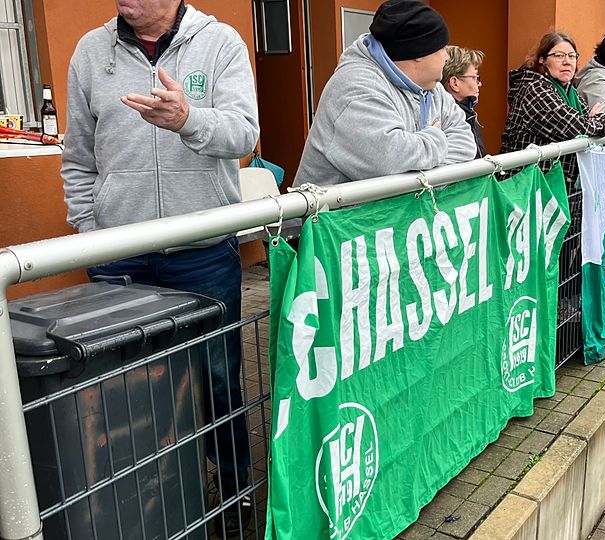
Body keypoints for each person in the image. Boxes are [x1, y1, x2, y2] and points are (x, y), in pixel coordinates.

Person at [60, 0, 259, 535]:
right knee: (125, 390)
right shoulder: (90, 51)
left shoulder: (220, 43)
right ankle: (144, 504)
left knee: (218, 379)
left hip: (202, 253)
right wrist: (90, 232)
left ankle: (234, 490)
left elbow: (244, 134)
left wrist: (188, 119)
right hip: (119, 255)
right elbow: (78, 158)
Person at [295, 0, 476, 186]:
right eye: (442, 49)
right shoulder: (356, 88)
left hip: (395, 205)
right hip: (337, 205)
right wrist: (437, 139)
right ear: (419, 53)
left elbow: (466, 143)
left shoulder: (431, 87)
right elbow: (389, 162)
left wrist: (419, 161)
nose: (447, 57)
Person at [500, 32, 605, 182]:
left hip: (555, 182)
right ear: (542, 60)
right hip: (526, 183)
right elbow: (575, 128)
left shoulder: (571, 91)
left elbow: (585, 123)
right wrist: (602, 121)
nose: (567, 62)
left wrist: (599, 120)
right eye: (559, 56)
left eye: (572, 56)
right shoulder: (534, 89)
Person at [442, 45, 488, 158]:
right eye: (475, 78)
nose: (479, 84)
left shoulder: (468, 113)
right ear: (455, 83)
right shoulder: (448, 119)